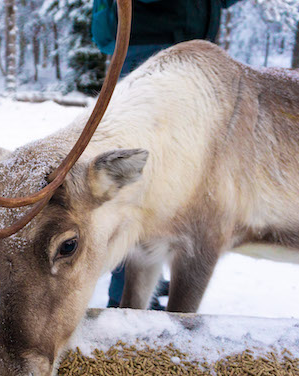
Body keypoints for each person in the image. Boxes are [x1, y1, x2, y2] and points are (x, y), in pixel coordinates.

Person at [92, 0, 242, 308]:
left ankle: (146, 283)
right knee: (137, 180)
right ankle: (123, 299)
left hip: (190, 58)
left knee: (176, 183)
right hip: (149, 51)